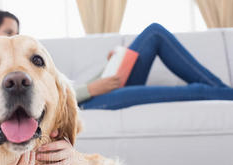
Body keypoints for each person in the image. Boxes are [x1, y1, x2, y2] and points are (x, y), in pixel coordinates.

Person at [76, 23, 233, 110]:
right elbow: (55, 100)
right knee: (198, 90)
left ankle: (225, 93)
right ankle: (227, 93)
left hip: (96, 89)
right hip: (85, 104)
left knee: (154, 33)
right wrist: (90, 90)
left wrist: (110, 67)